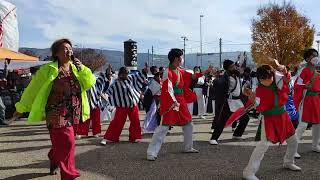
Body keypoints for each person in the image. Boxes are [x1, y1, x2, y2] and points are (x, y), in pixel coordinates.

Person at [13, 39, 96, 179]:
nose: (69, 51)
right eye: (65, 48)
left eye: (70, 48)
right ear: (56, 53)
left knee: (65, 142)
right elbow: (33, 89)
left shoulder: (77, 68)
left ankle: (53, 157)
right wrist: (22, 107)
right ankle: (68, 174)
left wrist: (83, 69)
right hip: (55, 112)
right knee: (68, 142)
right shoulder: (48, 69)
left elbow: (89, 83)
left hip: (73, 111)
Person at [147, 48, 213, 161]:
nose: (182, 59)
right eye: (181, 57)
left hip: (180, 101)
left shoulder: (179, 70)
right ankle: (151, 152)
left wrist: (205, 72)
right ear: (176, 58)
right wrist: (173, 101)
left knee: (188, 125)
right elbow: (168, 89)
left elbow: (191, 76)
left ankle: (188, 147)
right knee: (164, 127)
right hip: (171, 102)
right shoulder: (168, 72)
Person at [243, 64, 301, 180]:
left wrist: (283, 69)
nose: (267, 81)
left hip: (283, 116)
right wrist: (252, 98)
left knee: (293, 140)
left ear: (272, 76)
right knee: (263, 145)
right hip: (269, 118)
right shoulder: (259, 90)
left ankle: (288, 161)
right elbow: (256, 106)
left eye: (269, 77)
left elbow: (287, 79)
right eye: (263, 79)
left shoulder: (278, 82)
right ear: (259, 79)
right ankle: (248, 172)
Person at [100, 66, 148, 144]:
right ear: (120, 74)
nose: (126, 75)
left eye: (127, 73)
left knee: (135, 121)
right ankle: (109, 137)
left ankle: (135, 137)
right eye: (125, 74)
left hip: (133, 104)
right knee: (117, 122)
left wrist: (144, 71)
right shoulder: (115, 83)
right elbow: (108, 92)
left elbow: (140, 77)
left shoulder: (130, 78)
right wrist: (104, 96)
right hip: (121, 106)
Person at [209, 60, 250, 145]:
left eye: (234, 66)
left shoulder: (237, 75)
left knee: (245, 118)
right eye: (232, 66)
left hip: (238, 101)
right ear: (227, 68)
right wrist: (216, 77)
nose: (234, 67)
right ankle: (213, 138)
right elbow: (218, 83)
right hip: (229, 101)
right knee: (222, 121)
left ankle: (237, 134)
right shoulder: (225, 77)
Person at [294, 48, 320, 156]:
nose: (315, 57)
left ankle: (315, 145)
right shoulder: (303, 71)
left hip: (317, 99)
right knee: (303, 125)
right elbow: (297, 85)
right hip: (307, 99)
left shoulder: (317, 70)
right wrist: (305, 86)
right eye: (313, 55)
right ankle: (293, 149)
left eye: (316, 55)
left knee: (318, 124)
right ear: (307, 58)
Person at [75, 65, 113, 139]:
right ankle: (82, 132)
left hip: (96, 102)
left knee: (96, 118)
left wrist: (108, 72)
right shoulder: (81, 79)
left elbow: (104, 80)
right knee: (84, 118)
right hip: (85, 103)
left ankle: (96, 132)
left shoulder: (95, 79)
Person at [143, 69, 162, 133]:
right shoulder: (154, 82)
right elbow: (155, 92)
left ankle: (152, 128)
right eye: (159, 76)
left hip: (154, 99)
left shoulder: (157, 82)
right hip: (150, 99)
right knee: (150, 113)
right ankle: (145, 127)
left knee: (154, 114)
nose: (160, 77)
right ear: (156, 76)